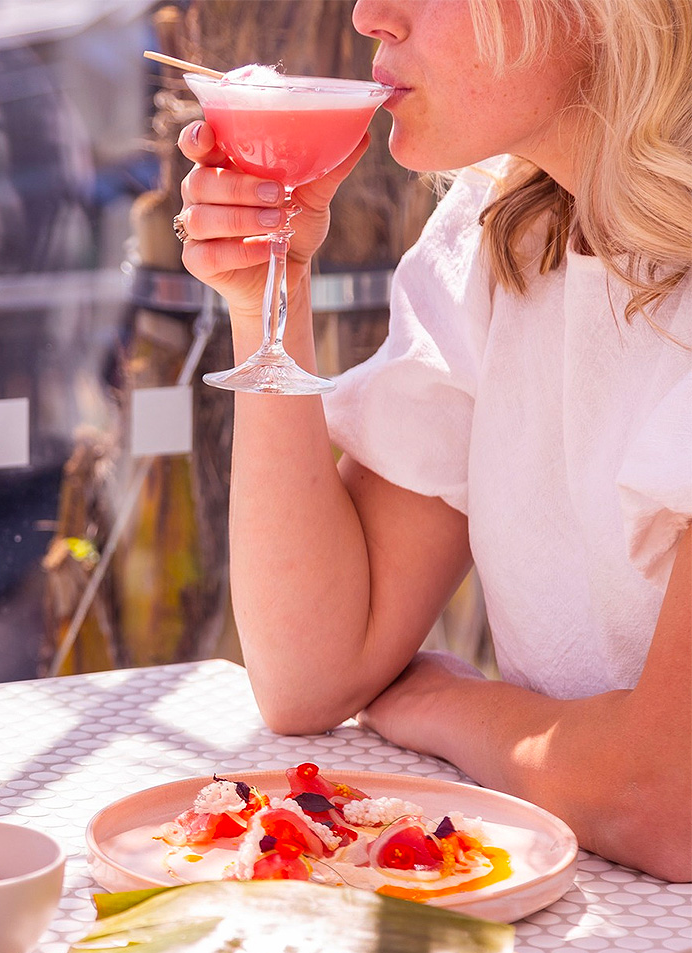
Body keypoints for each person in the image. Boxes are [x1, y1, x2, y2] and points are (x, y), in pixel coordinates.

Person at [172, 0, 690, 881]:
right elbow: (313, 673)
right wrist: (270, 293)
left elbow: (666, 796)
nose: (370, 15)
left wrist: (450, 705)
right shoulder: (505, 228)